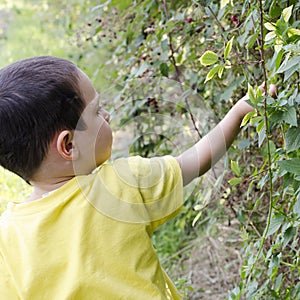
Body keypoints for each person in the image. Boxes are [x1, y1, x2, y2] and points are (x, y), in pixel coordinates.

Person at [0, 56, 254, 299]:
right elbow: (197, 161)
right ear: (68, 145)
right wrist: (239, 112)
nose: (107, 115)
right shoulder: (122, 185)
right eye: (98, 111)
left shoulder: (7, 238)